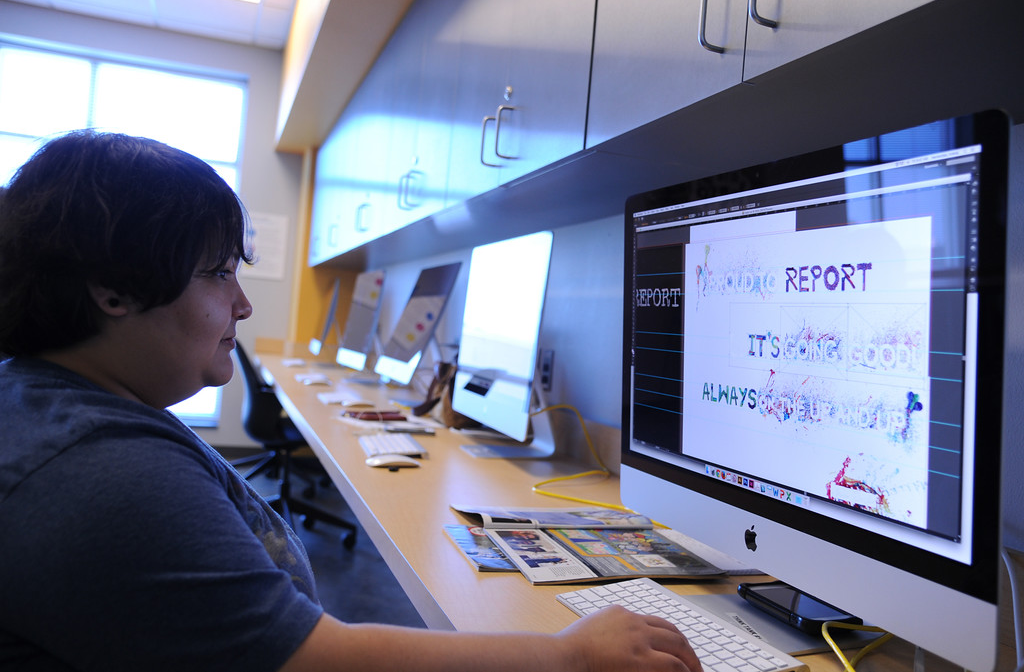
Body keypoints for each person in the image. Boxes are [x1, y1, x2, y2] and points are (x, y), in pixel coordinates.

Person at [0, 131, 702, 672]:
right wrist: (568, 655)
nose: (243, 303)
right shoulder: (102, 476)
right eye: (218, 273)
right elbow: (315, 662)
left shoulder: (54, 406)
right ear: (112, 291)